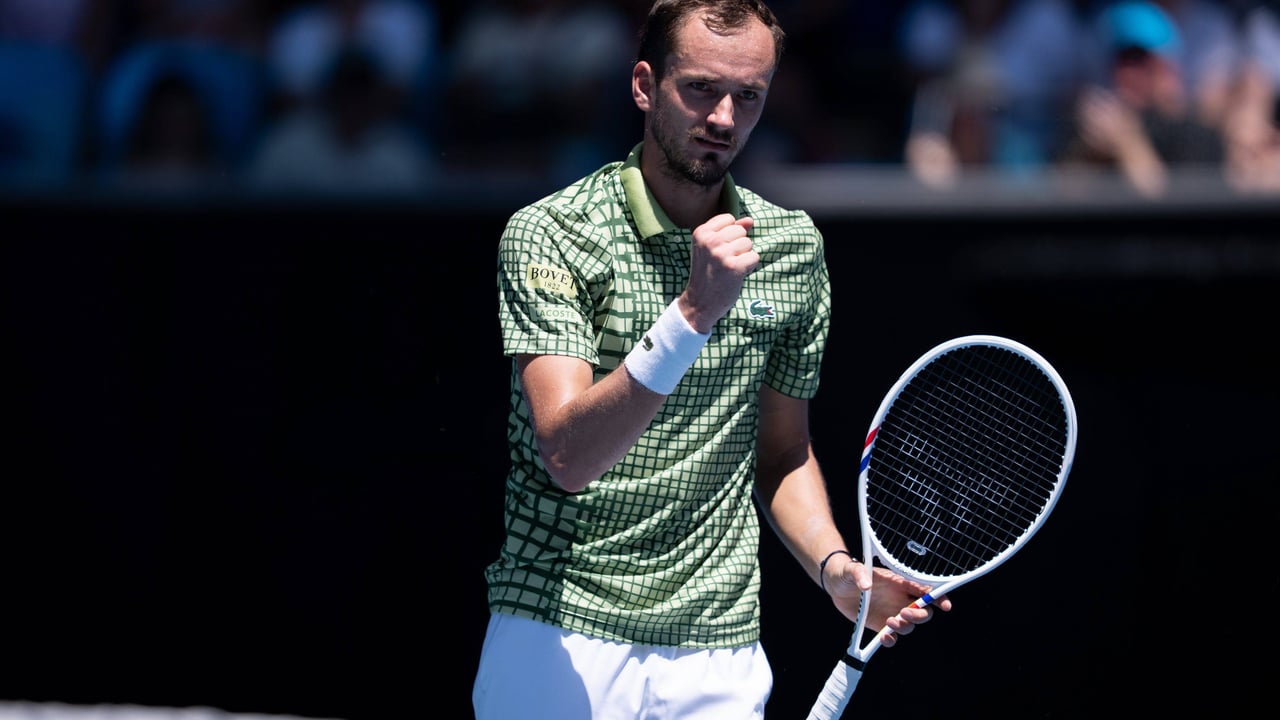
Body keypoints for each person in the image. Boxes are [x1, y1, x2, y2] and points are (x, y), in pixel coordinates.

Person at [473, 2, 951, 718]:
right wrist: (693, 313)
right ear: (645, 85)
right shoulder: (551, 232)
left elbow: (782, 451)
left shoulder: (791, 249)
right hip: (556, 630)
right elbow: (568, 455)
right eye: (701, 88)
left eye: (748, 95)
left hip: (720, 651)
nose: (724, 118)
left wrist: (835, 571)